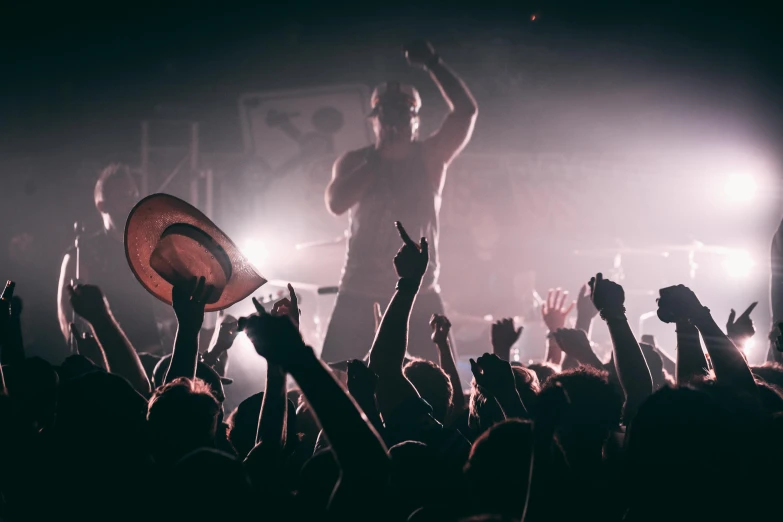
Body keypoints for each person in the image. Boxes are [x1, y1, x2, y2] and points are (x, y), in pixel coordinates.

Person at [322, 40, 478, 363]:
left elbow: (466, 111)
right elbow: (336, 203)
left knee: (438, 385)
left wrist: (433, 62)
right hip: (360, 291)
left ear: (415, 119)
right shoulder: (354, 161)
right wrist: (379, 160)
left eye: (402, 114)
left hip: (420, 292)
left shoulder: (430, 157)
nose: (394, 122)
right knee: (336, 378)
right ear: (374, 119)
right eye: (386, 114)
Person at [57, 164, 167, 354]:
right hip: (106, 359)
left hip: (151, 357)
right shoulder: (82, 252)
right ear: (102, 205)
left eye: (134, 195)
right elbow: (66, 314)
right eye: (124, 197)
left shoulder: (150, 250)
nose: (132, 202)